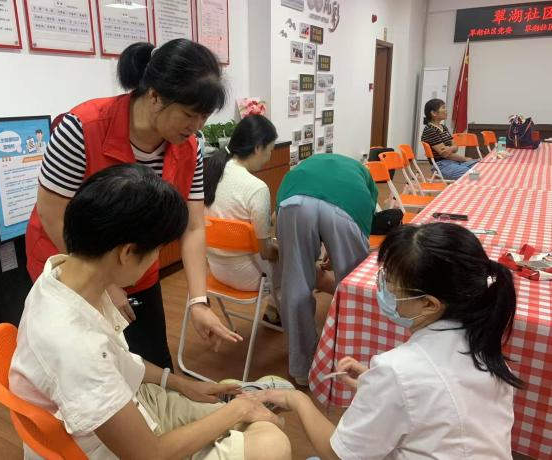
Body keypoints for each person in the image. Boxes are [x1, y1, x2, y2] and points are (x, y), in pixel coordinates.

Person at [10, 164, 291, 460]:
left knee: (260, 420)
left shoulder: (61, 277)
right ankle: (247, 408)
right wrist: (238, 411)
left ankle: (245, 407)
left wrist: (184, 385)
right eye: (157, 249)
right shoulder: (74, 345)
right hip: (115, 446)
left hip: (133, 402)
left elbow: (116, 358)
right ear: (127, 252)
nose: (156, 259)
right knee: (272, 441)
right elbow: (149, 454)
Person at [25, 39, 241, 371]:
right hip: (73, 265)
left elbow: (194, 226)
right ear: (154, 96)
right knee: (87, 368)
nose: (197, 126)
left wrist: (198, 301)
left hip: (135, 266)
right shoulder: (82, 127)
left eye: (204, 116)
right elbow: (53, 214)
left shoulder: (190, 147)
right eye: (189, 114)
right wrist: (104, 281)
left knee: (151, 363)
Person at [247, 223, 521, 459]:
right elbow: (437, 404)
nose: (383, 288)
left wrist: (296, 400)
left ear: (429, 304)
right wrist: (375, 384)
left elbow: (338, 454)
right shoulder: (484, 350)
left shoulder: (398, 371)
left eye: (390, 283)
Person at [275, 154, 377, 385]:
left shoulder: (306, 167)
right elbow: (365, 220)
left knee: (295, 282)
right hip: (346, 206)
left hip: (292, 201)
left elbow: (277, 217)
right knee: (352, 284)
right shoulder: (363, 175)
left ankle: (300, 368)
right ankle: (350, 361)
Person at [203, 115, 280, 322]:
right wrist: (282, 248)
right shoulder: (256, 188)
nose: (269, 157)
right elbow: (265, 252)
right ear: (258, 147)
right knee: (294, 258)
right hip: (249, 278)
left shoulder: (210, 173)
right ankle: (276, 310)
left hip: (217, 271)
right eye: (270, 150)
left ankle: (274, 310)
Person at [421, 98, 478, 180]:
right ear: (433, 113)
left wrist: (450, 148)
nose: (446, 110)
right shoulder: (430, 130)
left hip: (453, 161)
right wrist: (465, 159)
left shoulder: (443, 127)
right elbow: (445, 154)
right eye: (443, 108)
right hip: (442, 165)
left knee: (480, 166)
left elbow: (455, 146)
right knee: (474, 175)